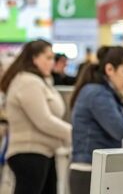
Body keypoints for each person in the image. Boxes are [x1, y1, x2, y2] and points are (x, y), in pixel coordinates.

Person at [0, 39, 71, 194]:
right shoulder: (27, 82)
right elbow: (43, 121)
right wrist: (73, 133)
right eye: (48, 57)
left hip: (43, 153)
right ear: (34, 58)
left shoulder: (40, 81)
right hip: (29, 153)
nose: (52, 62)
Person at [69, 46, 123, 194]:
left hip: (95, 169)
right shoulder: (98, 94)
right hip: (88, 171)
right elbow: (119, 129)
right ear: (110, 69)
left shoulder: (102, 92)